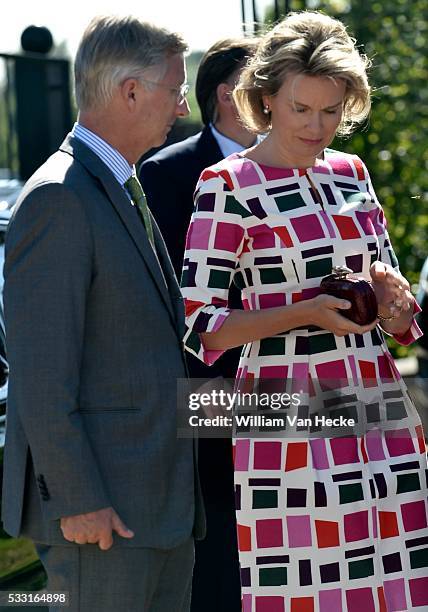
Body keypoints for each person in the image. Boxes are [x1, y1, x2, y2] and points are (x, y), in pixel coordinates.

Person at [181, 11, 428, 611]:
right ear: (265, 100)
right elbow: (201, 327)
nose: (320, 127)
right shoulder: (227, 184)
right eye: (302, 109)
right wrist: (304, 312)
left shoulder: (352, 173)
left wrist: (396, 308)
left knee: (393, 572)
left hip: (373, 397)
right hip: (282, 406)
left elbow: (394, 312)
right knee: (306, 583)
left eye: (332, 110)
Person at [2, 15, 204, 612]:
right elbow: (40, 376)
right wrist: (78, 498)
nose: (182, 103)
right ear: (131, 90)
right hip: (101, 520)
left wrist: (334, 410)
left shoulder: (116, 184)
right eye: (175, 87)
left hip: (154, 512)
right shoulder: (59, 197)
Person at [140, 37, 258, 612]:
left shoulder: (295, 166)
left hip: (296, 386)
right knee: (222, 555)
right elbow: (168, 297)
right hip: (210, 389)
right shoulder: (167, 173)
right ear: (227, 94)